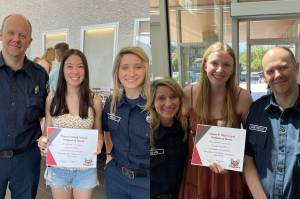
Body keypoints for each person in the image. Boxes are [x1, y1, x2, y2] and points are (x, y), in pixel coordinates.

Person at [179, 42, 252, 199]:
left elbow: (251, 142)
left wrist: (234, 159)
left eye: (226, 65)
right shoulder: (188, 94)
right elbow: (177, 136)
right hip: (196, 174)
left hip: (228, 175)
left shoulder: (242, 97)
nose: (220, 69)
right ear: (205, 65)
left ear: (233, 69)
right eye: (214, 63)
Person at [37, 49, 103, 199]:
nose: (75, 71)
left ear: (85, 70)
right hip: (58, 169)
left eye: (80, 66)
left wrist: (99, 142)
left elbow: (99, 133)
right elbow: (47, 134)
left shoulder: (95, 100)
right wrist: (43, 142)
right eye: (69, 66)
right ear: (62, 70)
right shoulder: (52, 99)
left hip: (85, 169)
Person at [0, 14, 48, 199]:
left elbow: (48, 115)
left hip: (27, 160)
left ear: (30, 40)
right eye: (11, 33)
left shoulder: (39, 75)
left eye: (22, 35)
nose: (16, 39)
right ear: (1, 35)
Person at [243, 46, 300, 199]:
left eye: (283, 67)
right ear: (264, 76)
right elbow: (248, 160)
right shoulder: (256, 110)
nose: (277, 75)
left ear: (296, 67)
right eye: (270, 71)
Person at [102, 46, 150, 199]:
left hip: (147, 182)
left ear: (146, 70)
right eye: (125, 67)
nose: (131, 73)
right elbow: (106, 130)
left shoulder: (157, 104)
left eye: (138, 67)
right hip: (116, 178)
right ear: (117, 71)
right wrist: (109, 155)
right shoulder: (111, 102)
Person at [149, 77, 187, 199]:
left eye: (173, 97)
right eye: (161, 98)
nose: (169, 103)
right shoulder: (142, 132)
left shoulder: (186, 129)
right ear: (152, 102)